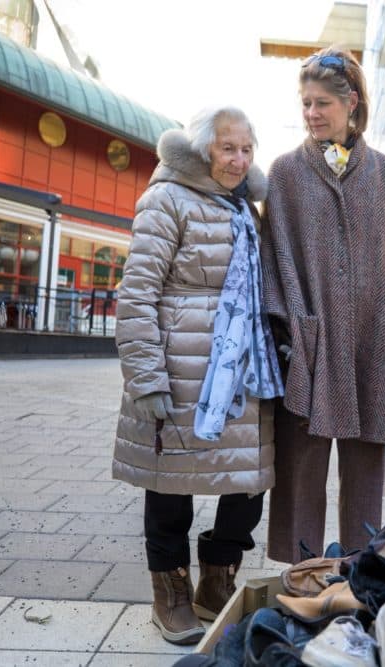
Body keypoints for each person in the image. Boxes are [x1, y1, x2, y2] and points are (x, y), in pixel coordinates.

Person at [113, 106, 283, 644]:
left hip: (242, 373)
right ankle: (170, 594)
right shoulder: (165, 199)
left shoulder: (245, 208)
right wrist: (146, 377)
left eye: (247, 149)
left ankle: (217, 581)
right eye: (227, 148)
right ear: (202, 149)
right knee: (170, 488)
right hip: (181, 368)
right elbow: (136, 292)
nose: (238, 160)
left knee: (248, 483)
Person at [261, 46, 385, 564]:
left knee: (365, 472)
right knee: (301, 470)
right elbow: (273, 255)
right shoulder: (285, 173)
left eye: (322, 104)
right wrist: (288, 331)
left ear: (351, 103)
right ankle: (301, 574)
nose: (311, 114)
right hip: (308, 346)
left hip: (373, 340)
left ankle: (361, 573)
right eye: (305, 103)